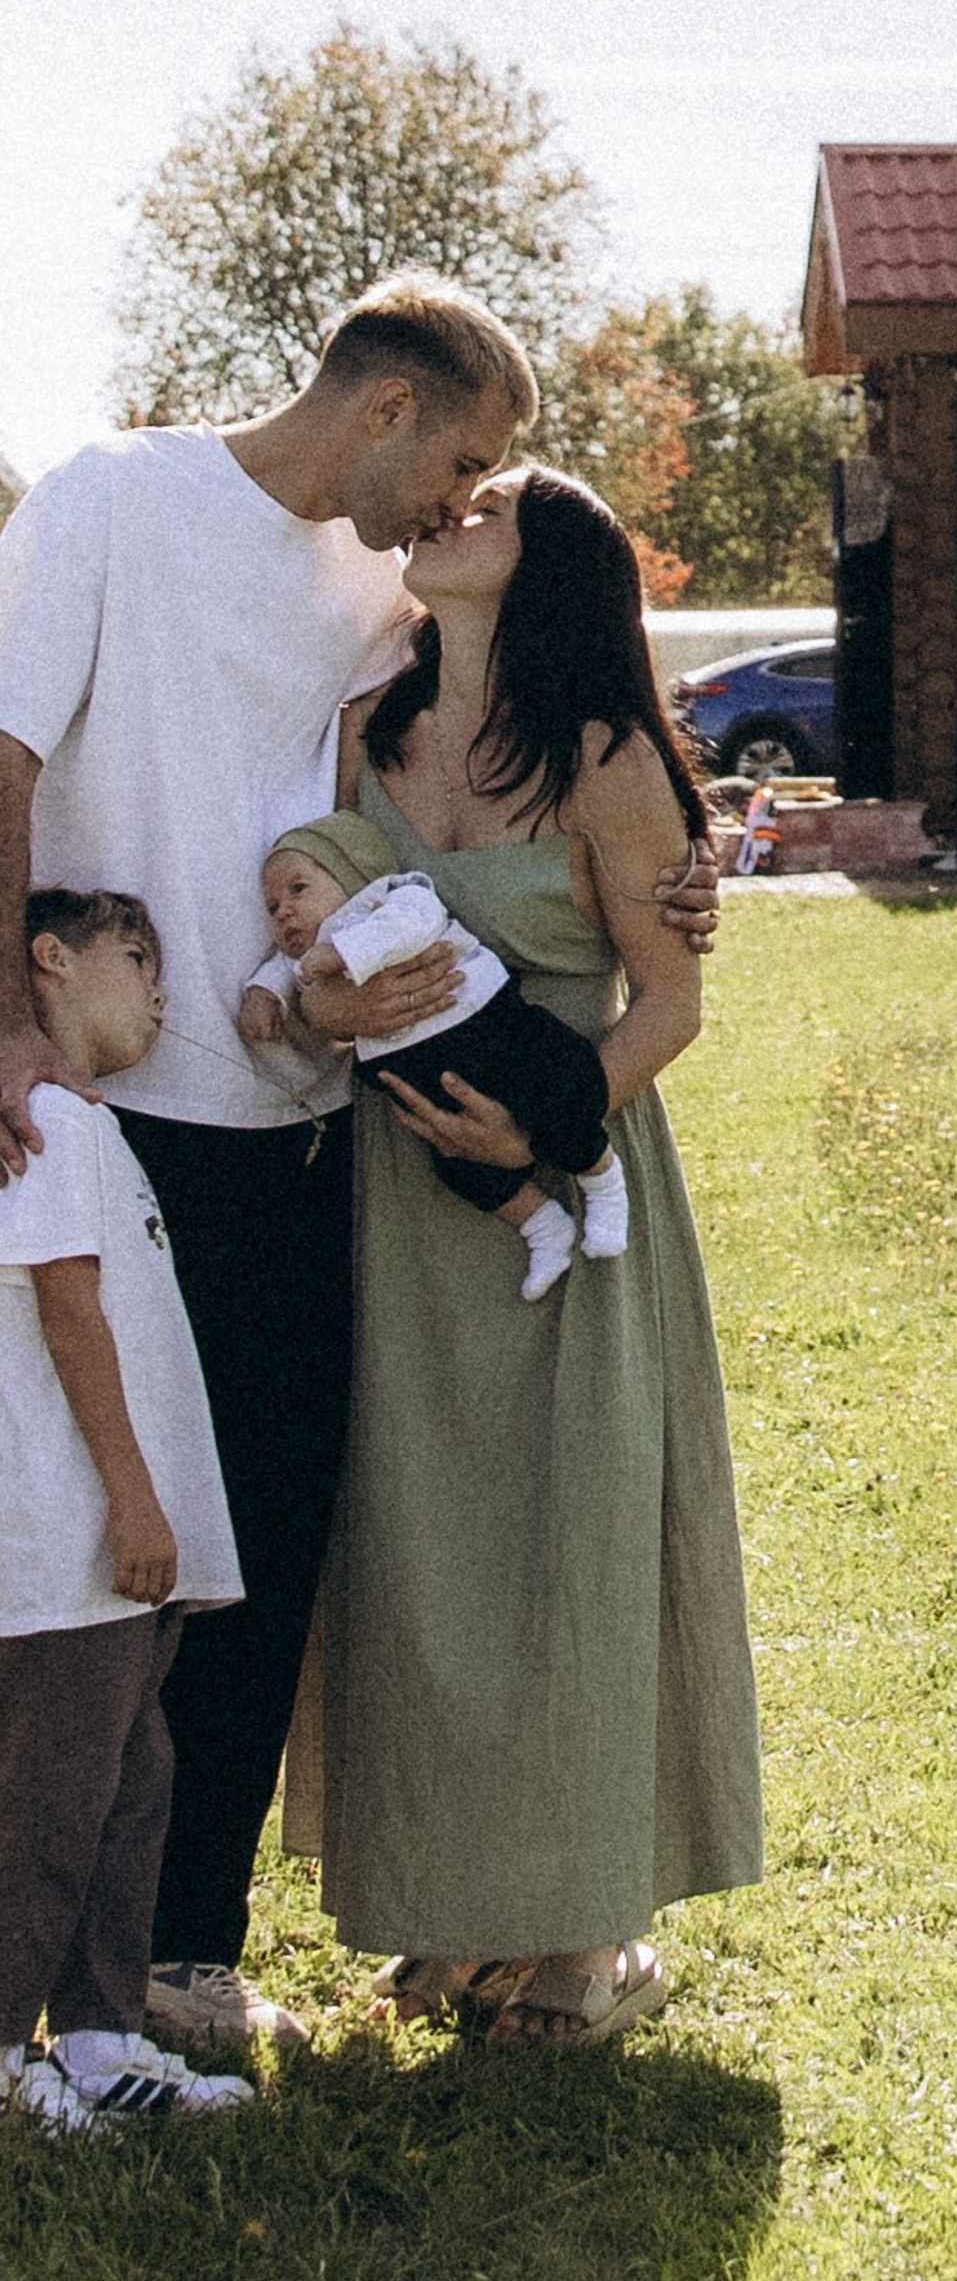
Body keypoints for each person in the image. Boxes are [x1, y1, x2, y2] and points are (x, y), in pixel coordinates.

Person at [0, 279, 717, 2056]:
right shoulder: (111, 499)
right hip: (96, 1114)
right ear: (390, 410)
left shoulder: (381, 592)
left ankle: (179, 1949)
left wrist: (681, 886)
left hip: (312, 1132)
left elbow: (547, 742)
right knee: (71, 1546)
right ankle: (38, 1961)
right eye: (467, 455)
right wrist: (8, 1031)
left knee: (271, 1550)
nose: (462, 501)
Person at [310, 463, 761, 2042]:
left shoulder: (603, 757)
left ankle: (581, 1939)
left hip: (568, 1192)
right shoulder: (368, 729)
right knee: (422, 1556)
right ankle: (446, 1911)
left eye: (488, 499)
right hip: (395, 1198)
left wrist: (541, 1130)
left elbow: (673, 1003)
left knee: (564, 1553)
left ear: (553, 561)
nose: (449, 508)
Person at [0, 892, 252, 2132]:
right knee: (49, 1802)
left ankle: (99, 2040)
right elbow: (68, 1314)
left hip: (118, 1560)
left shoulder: (89, 1125)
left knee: (132, 1779)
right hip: (70, 1546)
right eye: (136, 957)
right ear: (49, 957)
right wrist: (137, 1504)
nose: (161, 990)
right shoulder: (40, 1117)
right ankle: (4, 2055)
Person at [243, 820, 628, 1301]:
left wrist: (341, 952)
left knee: (555, 1096)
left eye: (299, 888)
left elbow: (414, 925)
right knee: (457, 1166)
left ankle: (603, 1183)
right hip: (426, 1077)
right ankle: (543, 1227)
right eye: (273, 907)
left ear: (350, 871)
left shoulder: (391, 897)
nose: (286, 912)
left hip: (488, 1028)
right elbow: (281, 973)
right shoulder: (305, 957)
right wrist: (261, 995)